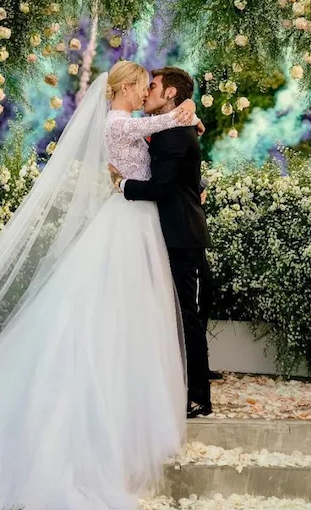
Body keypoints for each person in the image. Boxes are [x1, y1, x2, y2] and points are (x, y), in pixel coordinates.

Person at [0, 62, 200, 510]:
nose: (147, 94)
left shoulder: (127, 122)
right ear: (127, 87)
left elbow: (165, 128)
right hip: (128, 223)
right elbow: (166, 122)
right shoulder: (120, 122)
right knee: (115, 310)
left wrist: (186, 114)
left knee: (132, 311)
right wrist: (187, 112)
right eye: (143, 87)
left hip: (136, 222)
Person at [109, 67, 213, 418]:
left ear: (170, 93)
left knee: (187, 316)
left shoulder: (175, 133)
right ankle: (174, 388)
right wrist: (191, 113)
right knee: (170, 312)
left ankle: (198, 397)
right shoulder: (167, 128)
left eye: (152, 87)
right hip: (163, 232)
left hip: (182, 235)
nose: (146, 92)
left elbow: (161, 187)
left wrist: (121, 185)